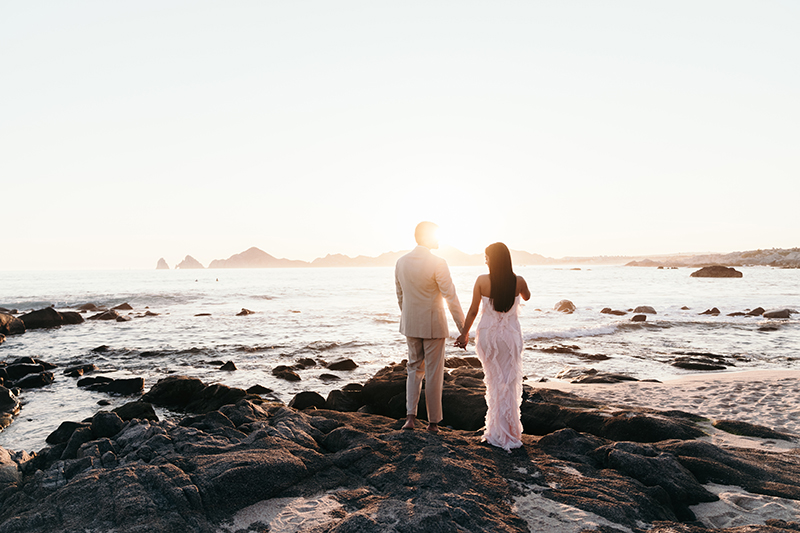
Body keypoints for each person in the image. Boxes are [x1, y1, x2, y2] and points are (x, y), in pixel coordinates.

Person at [455, 242, 530, 451]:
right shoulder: (519, 281)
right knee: (509, 379)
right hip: (510, 337)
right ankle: (509, 431)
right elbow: (527, 296)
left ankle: (496, 431)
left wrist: (464, 333)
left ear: (492, 260)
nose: (485, 260)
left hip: (488, 336)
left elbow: (472, 311)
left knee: (494, 381)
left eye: (487, 257)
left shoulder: (481, 280)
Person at [395, 221, 465, 433]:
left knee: (414, 369)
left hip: (411, 323)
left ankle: (410, 418)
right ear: (426, 237)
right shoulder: (438, 262)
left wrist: (409, 316)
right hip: (434, 325)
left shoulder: (401, 262)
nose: (438, 240)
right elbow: (450, 296)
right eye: (435, 236)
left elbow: (400, 296)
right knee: (434, 373)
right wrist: (463, 328)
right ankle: (433, 423)